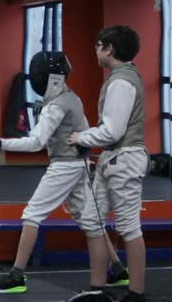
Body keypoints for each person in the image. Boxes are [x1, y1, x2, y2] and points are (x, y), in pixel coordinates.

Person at [0, 51, 127, 295]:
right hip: (79, 166)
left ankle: (17, 275)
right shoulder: (72, 98)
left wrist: (1, 144)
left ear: (50, 79)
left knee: (32, 214)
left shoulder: (56, 107)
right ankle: (118, 270)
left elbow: (36, 142)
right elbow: (85, 129)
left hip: (65, 167)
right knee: (91, 222)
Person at [67, 25, 148, 302]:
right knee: (93, 221)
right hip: (111, 159)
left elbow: (113, 130)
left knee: (128, 227)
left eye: (98, 44)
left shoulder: (121, 82)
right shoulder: (119, 78)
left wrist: (81, 136)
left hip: (125, 159)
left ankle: (136, 294)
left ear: (109, 48)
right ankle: (97, 289)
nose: (95, 49)